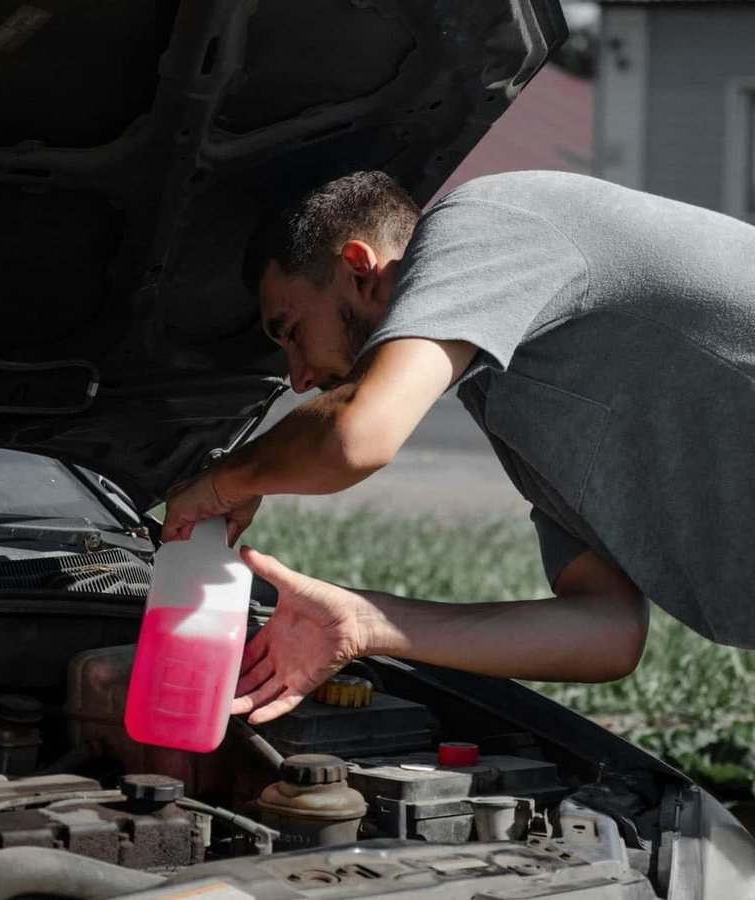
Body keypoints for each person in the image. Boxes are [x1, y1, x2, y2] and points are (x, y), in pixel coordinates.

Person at [162, 169, 755, 726]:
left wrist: (225, 481)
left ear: (359, 268)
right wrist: (365, 621)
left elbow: (355, 435)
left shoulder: (484, 218)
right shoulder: (511, 400)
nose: (296, 377)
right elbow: (607, 632)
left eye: (290, 332)